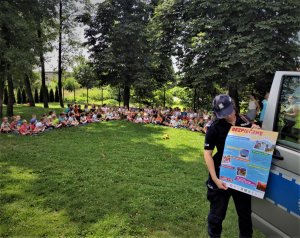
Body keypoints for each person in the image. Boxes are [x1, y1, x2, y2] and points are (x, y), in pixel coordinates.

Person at [204, 94, 259, 238]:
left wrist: (257, 131)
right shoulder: (214, 127)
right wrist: (215, 179)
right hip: (221, 175)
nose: (227, 116)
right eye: (223, 114)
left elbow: (257, 143)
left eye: (229, 111)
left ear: (233, 106)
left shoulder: (246, 121)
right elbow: (207, 154)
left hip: (241, 175)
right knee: (216, 215)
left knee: (245, 215)